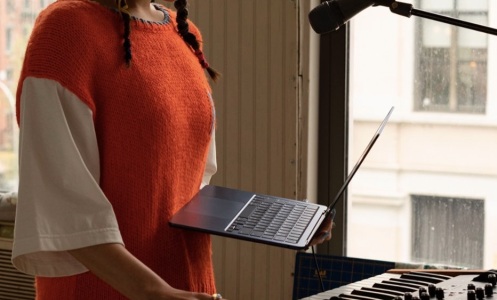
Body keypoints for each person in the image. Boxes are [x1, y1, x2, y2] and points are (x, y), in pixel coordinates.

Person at [12, 0, 333, 299]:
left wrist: (283, 221)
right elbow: (59, 204)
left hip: (188, 281)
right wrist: (153, 291)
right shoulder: (66, 28)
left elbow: (189, 182)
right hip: (110, 288)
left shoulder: (184, 32)